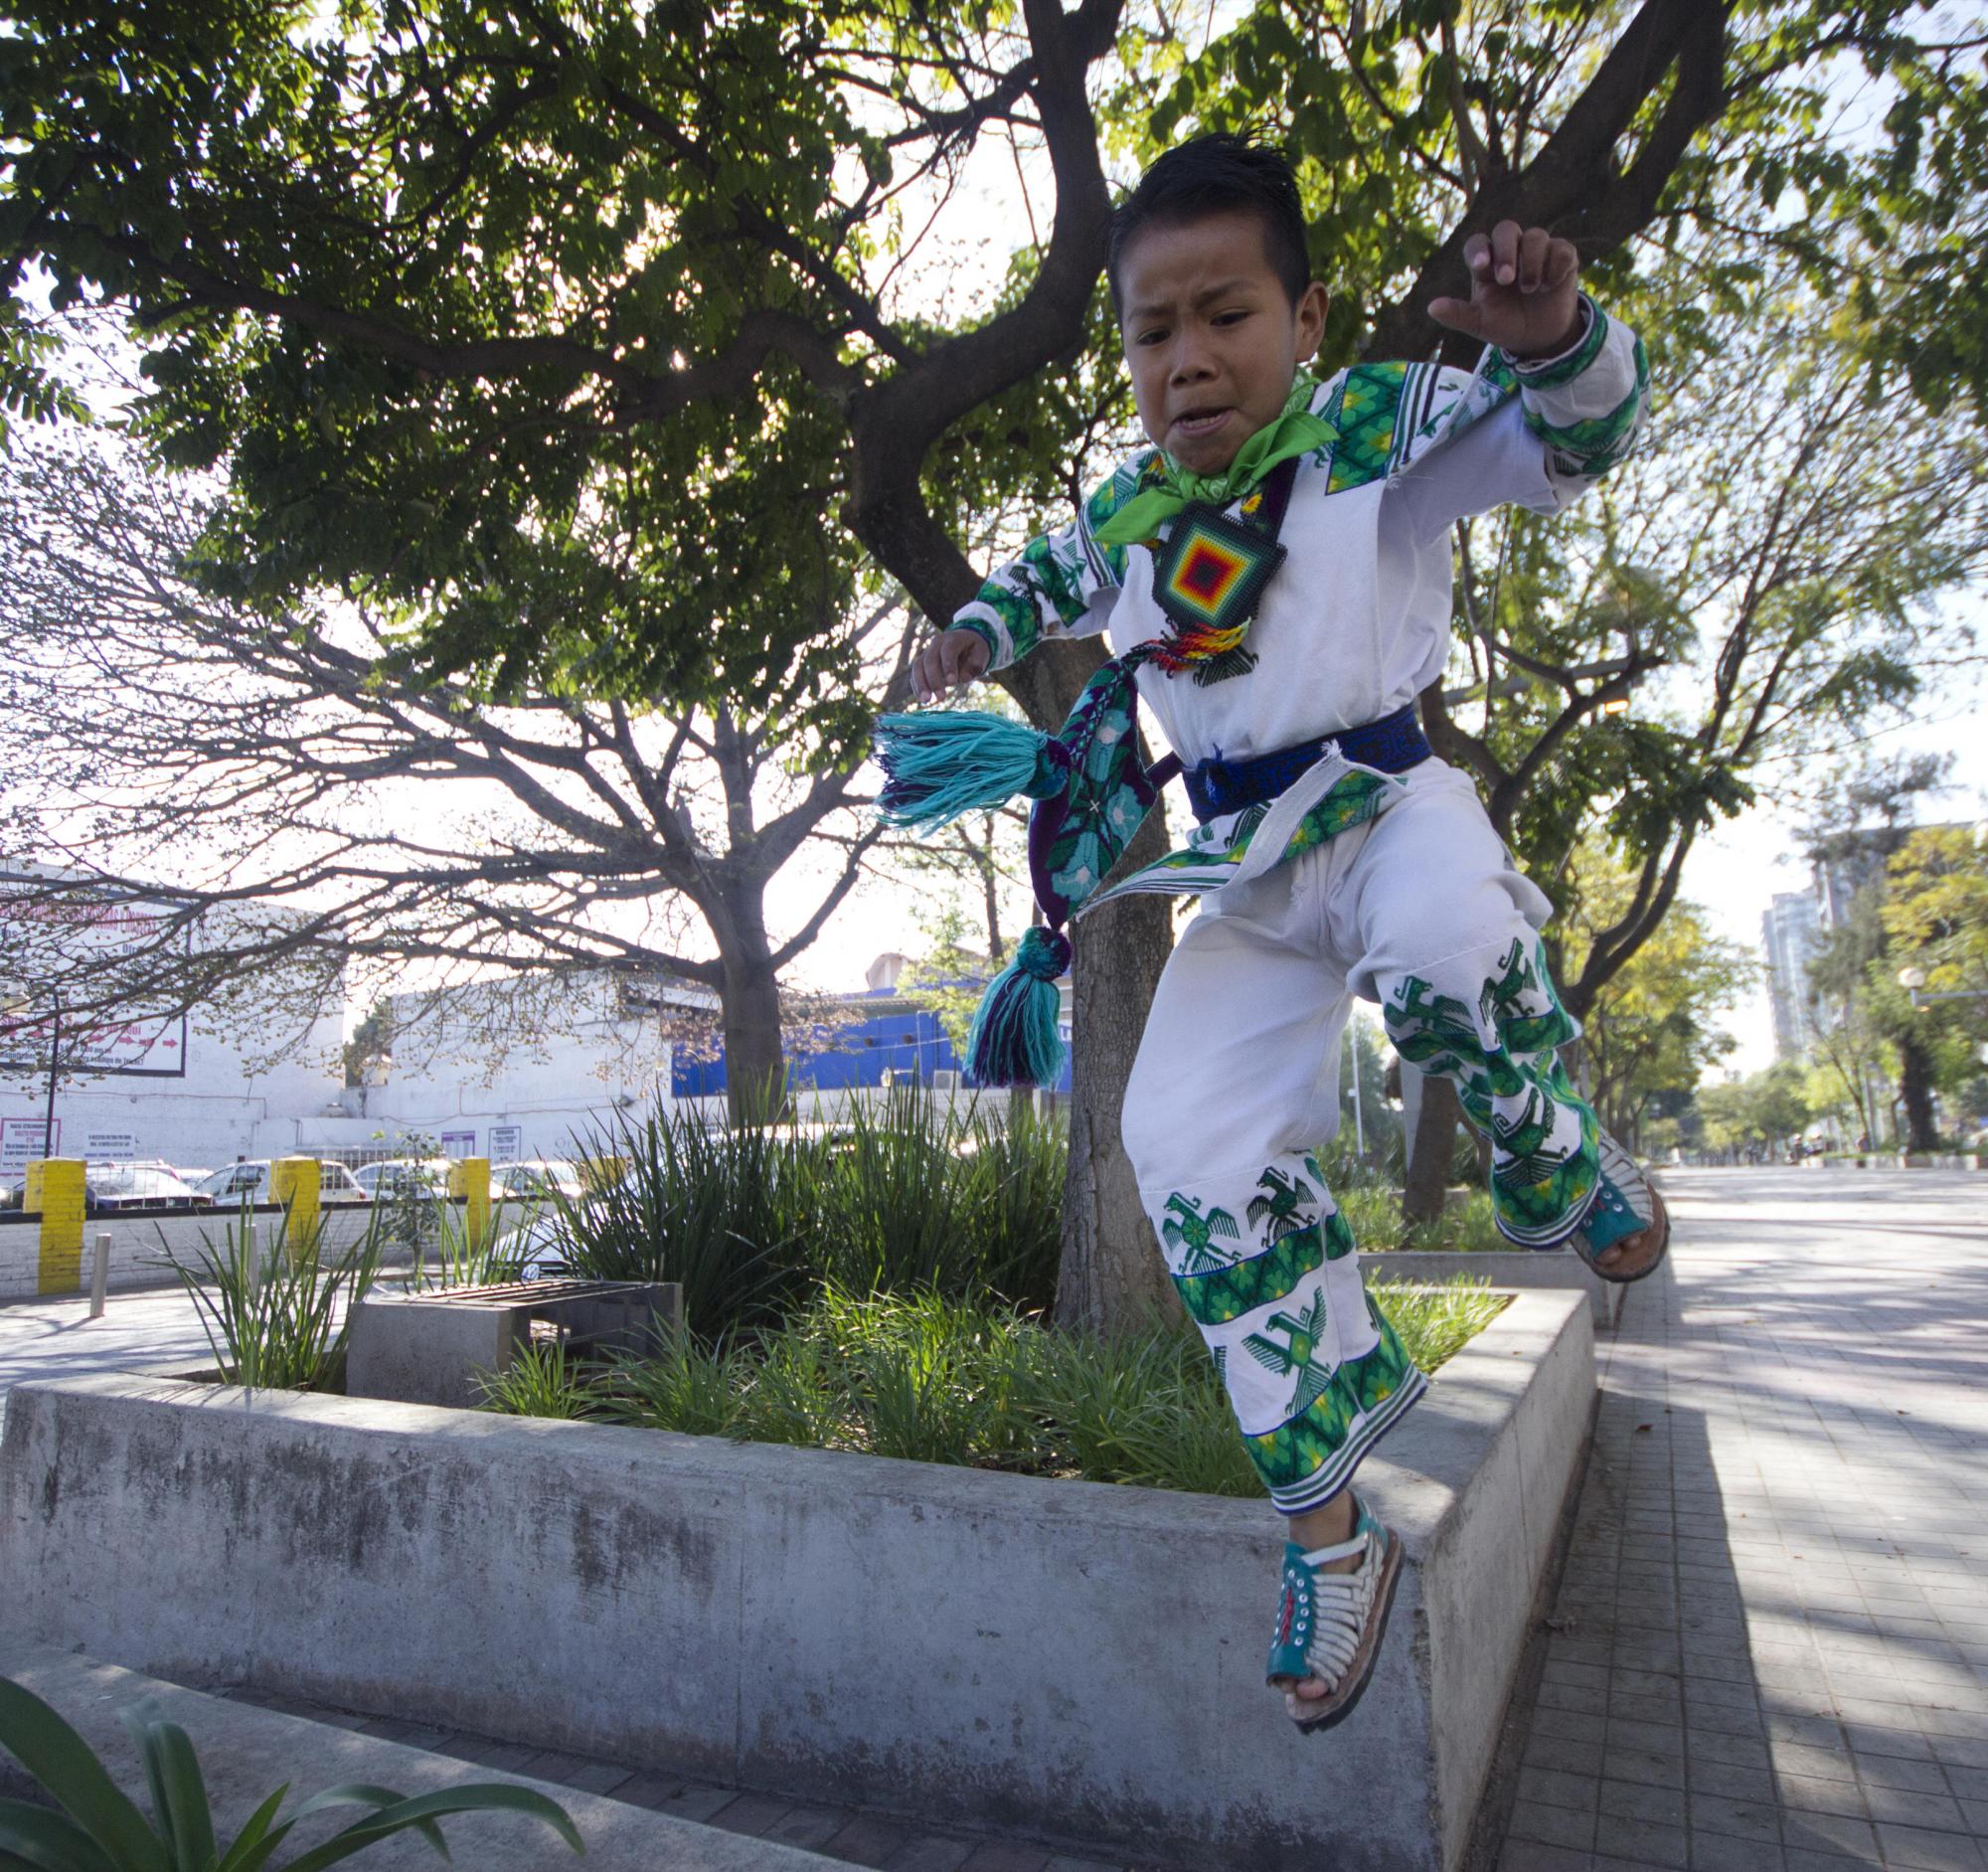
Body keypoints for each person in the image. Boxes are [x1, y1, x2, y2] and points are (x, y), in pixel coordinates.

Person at [884, 135, 1666, 1732]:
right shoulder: (1128, 513)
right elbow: (1034, 583)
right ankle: (1332, 1533)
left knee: (1454, 937)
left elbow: (1582, 438)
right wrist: (966, 631)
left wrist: (1552, 343)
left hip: (1387, 810)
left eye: (1225, 312)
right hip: (1240, 877)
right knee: (1174, 1138)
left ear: (1305, 317)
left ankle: (1553, 1153)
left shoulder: (1382, 421)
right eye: (1152, 332)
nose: (1188, 359)